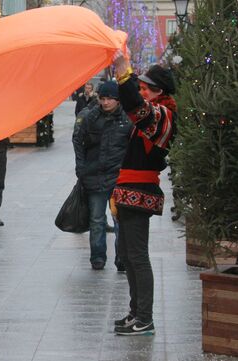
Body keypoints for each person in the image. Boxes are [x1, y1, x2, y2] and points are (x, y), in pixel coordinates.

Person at [111, 53, 177, 336]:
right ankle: (135, 311)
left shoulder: (164, 115)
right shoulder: (155, 111)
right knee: (127, 255)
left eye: (147, 87)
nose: (142, 91)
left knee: (137, 256)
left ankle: (145, 317)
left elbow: (135, 108)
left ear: (160, 92)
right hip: (128, 190)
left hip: (140, 191)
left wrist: (125, 75)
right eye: (140, 85)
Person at [73, 81, 132, 271]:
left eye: (110, 99)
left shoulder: (126, 119)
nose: (105, 103)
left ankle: (122, 258)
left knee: (120, 220)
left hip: (118, 177)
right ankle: (97, 257)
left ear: (117, 100)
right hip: (94, 175)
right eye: (103, 99)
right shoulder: (91, 117)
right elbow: (78, 140)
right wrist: (81, 167)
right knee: (97, 220)